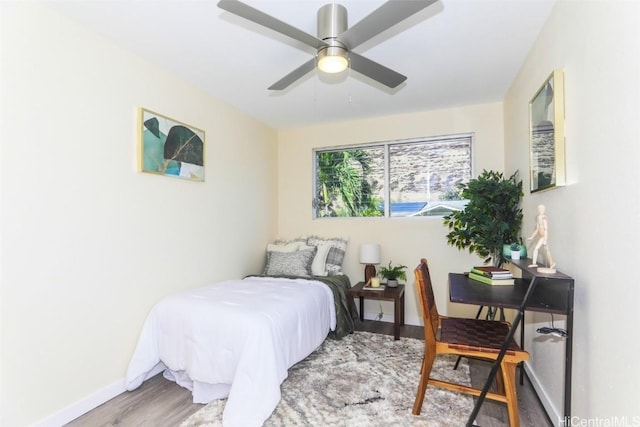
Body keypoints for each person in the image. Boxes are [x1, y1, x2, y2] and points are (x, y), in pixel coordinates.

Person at [527, 204, 555, 268]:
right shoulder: (538, 217)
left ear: (544, 210)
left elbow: (546, 229)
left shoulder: (544, 217)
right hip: (542, 236)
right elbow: (537, 229)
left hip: (544, 237)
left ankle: (551, 263)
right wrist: (532, 236)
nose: (540, 210)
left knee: (542, 249)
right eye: (539, 209)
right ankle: (550, 263)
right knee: (542, 249)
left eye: (541, 209)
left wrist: (545, 239)